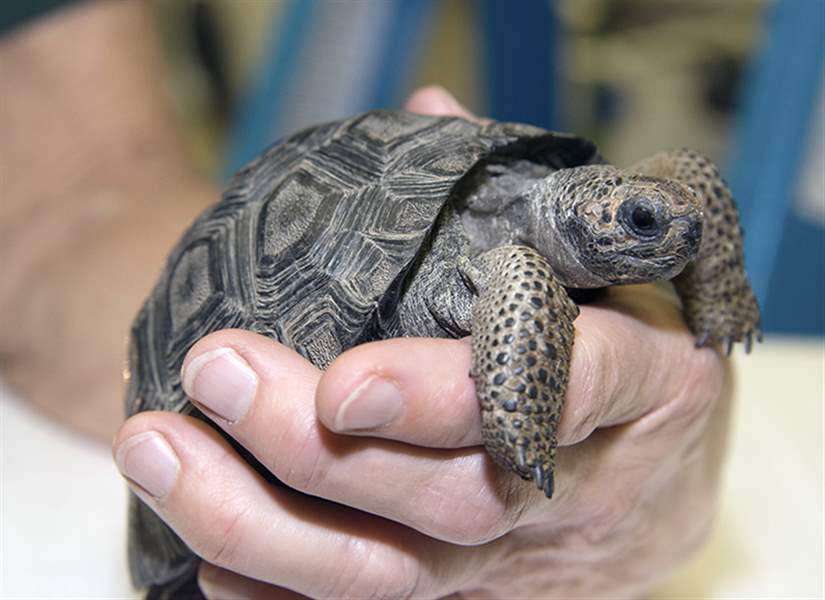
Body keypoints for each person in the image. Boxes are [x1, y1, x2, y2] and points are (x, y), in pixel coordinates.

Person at [3, 1, 731, 597]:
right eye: (638, 223)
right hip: (192, 500)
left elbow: (82, 190)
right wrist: (524, 439)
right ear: (577, 214)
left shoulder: (556, 206)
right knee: (523, 280)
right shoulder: (517, 269)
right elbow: (54, 221)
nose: (669, 238)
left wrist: (697, 350)